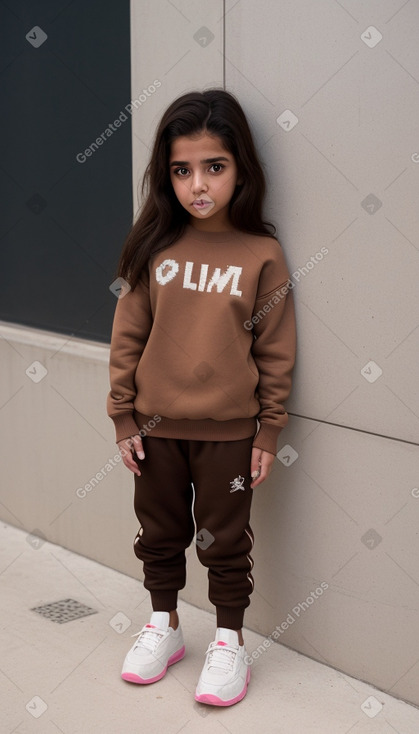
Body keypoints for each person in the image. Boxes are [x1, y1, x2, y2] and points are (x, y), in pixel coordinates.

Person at [106, 88, 296, 707]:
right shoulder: (153, 247)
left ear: (241, 169)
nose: (198, 184)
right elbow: (128, 335)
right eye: (182, 170)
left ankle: (229, 642)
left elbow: (274, 350)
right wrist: (122, 416)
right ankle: (164, 624)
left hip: (230, 435)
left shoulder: (261, 255)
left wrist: (268, 430)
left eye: (214, 167)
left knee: (225, 539)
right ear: (167, 176)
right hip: (155, 429)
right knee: (158, 532)